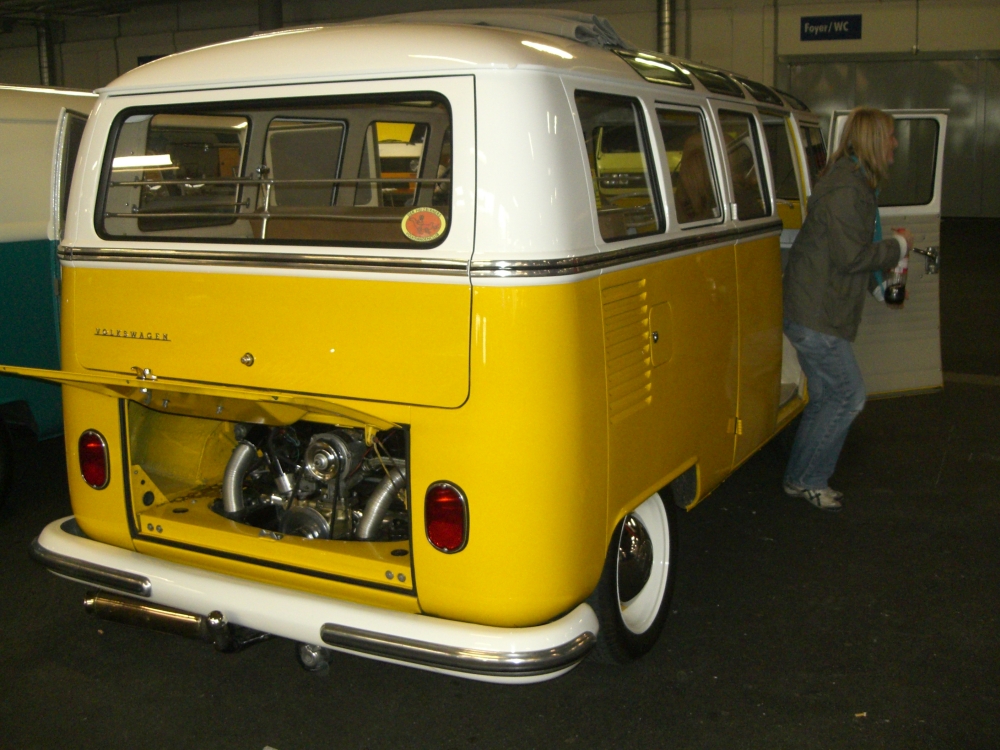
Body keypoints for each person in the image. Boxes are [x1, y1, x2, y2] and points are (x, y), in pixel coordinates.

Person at [782, 107, 913, 511]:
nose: (895, 144)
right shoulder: (847, 189)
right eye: (890, 136)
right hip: (816, 315)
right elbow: (851, 256)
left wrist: (878, 288)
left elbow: (845, 252)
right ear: (873, 140)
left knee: (827, 396)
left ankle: (800, 479)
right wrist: (899, 246)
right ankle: (809, 480)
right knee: (849, 395)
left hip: (815, 309)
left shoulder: (852, 182)